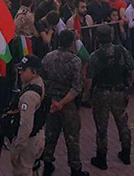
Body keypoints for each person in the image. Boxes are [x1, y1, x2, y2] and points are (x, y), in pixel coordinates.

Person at [87, 25, 134, 168]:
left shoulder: (94, 56)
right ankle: (126, 153)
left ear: (97, 38)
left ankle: (101, 158)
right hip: (119, 91)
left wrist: (87, 94)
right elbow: (133, 69)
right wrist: (128, 85)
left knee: (102, 127)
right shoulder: (122, 51)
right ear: (112, 36)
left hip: (101, 93)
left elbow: (89, 78)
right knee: (123, 123)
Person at [41, 29, 86, 176]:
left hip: (52, 103)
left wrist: (53, 100)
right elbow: (77, 87)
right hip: (68, 104)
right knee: (72, 137)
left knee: (50, 134)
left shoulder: (48, 57)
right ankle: (75, 169)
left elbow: (43, 81)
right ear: (72, 43)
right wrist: (62, 102)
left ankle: (47, 164)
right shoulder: (75, 61)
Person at [10, 56, 48, 176]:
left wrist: (18, 148)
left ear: (33, 72)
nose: (20, 72)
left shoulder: (29, 96)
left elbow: (26, 125)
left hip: (28, 141)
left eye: (23, 70)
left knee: (22, 171)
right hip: (37, 134)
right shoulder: (39, 83)